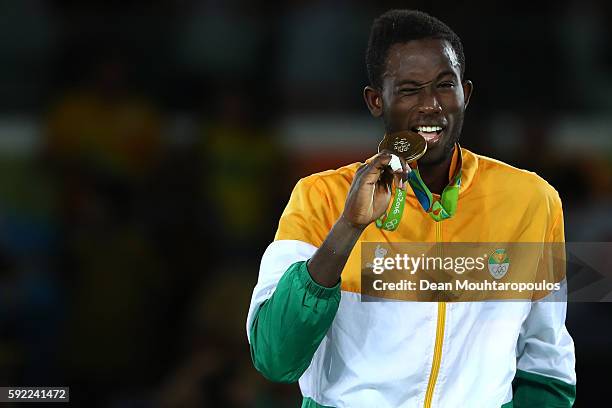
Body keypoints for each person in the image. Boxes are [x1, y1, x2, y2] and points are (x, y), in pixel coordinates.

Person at [246, 9, 576, 408]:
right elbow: (274, 357)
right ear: (375, 101)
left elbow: (546, 360)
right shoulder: (321, 198)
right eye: (408, 90)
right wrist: (349, 229)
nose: (431, 105)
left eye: (444, 85)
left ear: (465, 94)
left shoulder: (530, 200)